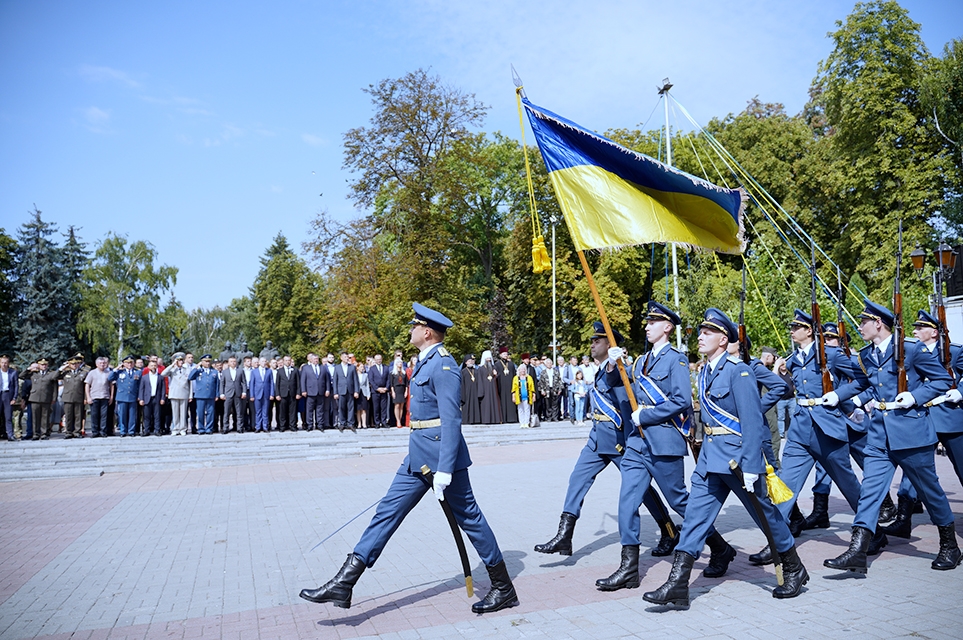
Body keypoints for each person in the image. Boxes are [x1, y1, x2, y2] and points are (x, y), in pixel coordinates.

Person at [299, 303, 519, 614]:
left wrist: (444, 470)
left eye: (415, 325)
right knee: (386, 513)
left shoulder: (443, 365)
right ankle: (344, 582)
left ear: (427, 332)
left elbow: (451, 420)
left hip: (443, 460)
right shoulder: (425, 362)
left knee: (470, 519)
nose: (411, 329)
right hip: (417, 458)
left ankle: (503, 587)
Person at [643, 308, 808, 606]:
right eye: (701, 332)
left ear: (723, 339)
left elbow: (752, 421)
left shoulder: (738, 370)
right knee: (694, 517)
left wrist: (754, 466)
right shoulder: (705, 371)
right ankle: (678, 583)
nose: (701, 337)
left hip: (737, 459)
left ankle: (794, 567)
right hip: (710, 456)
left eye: (707, 333)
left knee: (765, 514)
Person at [599, 301, 735, 592]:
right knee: (627, 502)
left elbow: (681, 401)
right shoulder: (639, 362)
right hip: (637, 443)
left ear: (667, 327)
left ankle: (720, 548)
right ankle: (628, 569)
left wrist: (645, 414)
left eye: (652, 322)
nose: (646, 326)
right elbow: (621, 386)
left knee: (680, 502)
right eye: (646, 322)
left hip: (664, 441)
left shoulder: (677, 359)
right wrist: (612, 365)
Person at [825, 300, 958, 573]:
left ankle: (950, 546)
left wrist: (915, 396)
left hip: (911, 433)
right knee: (871, 492)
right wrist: (838, 396)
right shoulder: (865, 355)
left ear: (878, 323)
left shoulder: (911, 350)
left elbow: (943, 381)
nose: (859, 327)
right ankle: (857, 550)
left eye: (863, 322)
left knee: (929, 491)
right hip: (879, 435)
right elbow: (864, 385)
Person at [534, 322, 677, 566]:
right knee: (577, 479)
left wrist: (630, 439)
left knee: (642, 491)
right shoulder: (601, 369)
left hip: (618, 440)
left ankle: (669, 531)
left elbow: (627, 406)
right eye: (592, 340)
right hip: (597, 438)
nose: (592, 344)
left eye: (597, 340)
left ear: (611, 345)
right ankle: (565, 534)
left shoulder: (620, 371)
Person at [748, 309, 870, 566]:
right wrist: (780, 373)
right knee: (785, 487)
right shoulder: (793, 358)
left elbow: (863, 379)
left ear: (809, 330)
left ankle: (871, 530)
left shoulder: (831, 354)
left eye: (796, 326)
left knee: (847, 483)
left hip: (828, 428)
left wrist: (839, 395)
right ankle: (777, 544)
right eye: (791, 326)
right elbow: (787, 388)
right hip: (801, 429)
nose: (791, 330)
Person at [880, 310, 963, 538]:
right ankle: (904, 520)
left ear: (934, 332)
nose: (915, 332)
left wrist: (960, 392)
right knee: (912, 471)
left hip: (948, 417)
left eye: (920, 328)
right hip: (919, 417)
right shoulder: (907, 351)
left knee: (961, 468)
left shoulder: (954, 351)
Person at [108, 356, 141, 437]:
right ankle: (123, 431)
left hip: (132, 396)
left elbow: (140, 385)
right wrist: (116, 369)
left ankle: (131, 431)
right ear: (124, 363)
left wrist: (139, 396)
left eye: (131, 363)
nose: (129, 364)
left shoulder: (137, 372)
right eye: (127, 363)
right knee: (122, 415)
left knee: (132, 415)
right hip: (122, 396)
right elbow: (109, 378)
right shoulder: (119, 372)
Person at [60, 353, 89, 439]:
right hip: (68, 397)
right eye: (72, 364)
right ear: (69, 364)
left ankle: (77, 432)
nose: (74, 365)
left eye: (76, 363)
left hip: (79, 397)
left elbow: (86, 386)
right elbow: (54, 376)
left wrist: (85, 398)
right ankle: (68, 432)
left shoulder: (84, 373)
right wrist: (63, 367)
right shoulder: (65, 373)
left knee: (78, 416)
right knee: (68, 416)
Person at [162, 352, 192, 436]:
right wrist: (172, 365)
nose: (181, 362)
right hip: (174, 393)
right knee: (175, 413)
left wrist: (190, 395)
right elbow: (163, 374)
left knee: (183, 413)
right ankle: (175, 428)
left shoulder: (186, 369)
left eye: (182, 360)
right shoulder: (172, 369)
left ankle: (183, 428)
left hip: (184, 393)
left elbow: (190, 383)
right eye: (179, 360)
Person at [189, 355, 219, 434]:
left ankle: (209, 428)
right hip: (200, 395)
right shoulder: (199, 371)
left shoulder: (214, 371)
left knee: (210, 412)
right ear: (202, 362)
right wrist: (196, 367)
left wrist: (217, 394)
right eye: (206, 361)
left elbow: (217, 384)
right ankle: (201, 428)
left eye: (209, 361)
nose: (208, 363)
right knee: (200, 412)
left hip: (211, 395)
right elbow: (190, 377)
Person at [219, 356, 247, 433]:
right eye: (231, 361)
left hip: (238, 393)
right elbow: (222, 383)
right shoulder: (225, 372)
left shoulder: (240, 371)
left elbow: (244, 382)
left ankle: (240, 427)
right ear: (228, 363)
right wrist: (221, 393)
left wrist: (244, 392)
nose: (233, 363)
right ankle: (225, 428)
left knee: (239, 412)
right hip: (228, 394)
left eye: (234, 361)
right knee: (226, 412)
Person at [84, 357, 111, 438]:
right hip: (94, 397)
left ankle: (103, 431)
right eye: (100, 363)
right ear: (96, 364)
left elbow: (111, 385)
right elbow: (87, 385)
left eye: (104, 363)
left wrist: (111, 396)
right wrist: (88, 397)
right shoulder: (92, 373)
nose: (102, 365)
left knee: (104, 415)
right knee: (94, 415)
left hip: (105, 396)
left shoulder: (108, 372)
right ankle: (95, 432)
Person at [138, 358, 166, 436]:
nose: (153, 367)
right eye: (151, 365)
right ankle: (146, 430)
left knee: (157, 415)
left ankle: (157, 430)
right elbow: (141, 389)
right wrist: (141, 398)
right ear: (148, 367)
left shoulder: (160, 377)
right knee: (146, 416)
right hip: (147, 398)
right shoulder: (144, 377)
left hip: (157, 398)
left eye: (155, 365)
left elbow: (163, 388)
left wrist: (163, 398)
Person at [332, 352, 359, 430]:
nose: (347, 358)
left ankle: (350, 423)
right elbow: (335, 381)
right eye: (345, 357)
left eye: (348, 357)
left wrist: (356, 391)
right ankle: (342, 423)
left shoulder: (352, 367)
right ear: (341, 358)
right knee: (341, 407)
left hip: (350, 390)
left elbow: (355, 380)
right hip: (341, 391)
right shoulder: (337, 368)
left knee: (351, 407)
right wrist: (335, 392)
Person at [275, 355, 300, 432]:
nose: (288, 362)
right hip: (283, 394)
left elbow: (298, 383)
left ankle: (292, 426)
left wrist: (298, 393)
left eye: (289, 360)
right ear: (283, 361)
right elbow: (277, 384)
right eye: (286, 360)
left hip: (293, 394)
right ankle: (282, 426)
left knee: (293, 411)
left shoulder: (295, 370)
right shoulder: (279, 371)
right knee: (282, 411)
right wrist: (277, 394)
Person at [249, 357, 274, 432]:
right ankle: (258, 427)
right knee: (258, 411)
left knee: (265, 411)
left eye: (265, 361)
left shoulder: (269, 371)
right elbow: (252, 384)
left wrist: (272, 394)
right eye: (262, 361)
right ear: (259, 362)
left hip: (266, 393)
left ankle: (265, 427)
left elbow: (271, 383)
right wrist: (252, 395)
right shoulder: (254, 371)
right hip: (257, 394)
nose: (264, 363)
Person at [477, 351, 501, 424]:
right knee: (486, 403)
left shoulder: (494, 367)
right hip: (485, 388)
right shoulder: (481, 368)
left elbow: (497, 379)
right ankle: (486, 420)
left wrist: (496, 375)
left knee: (494, 402)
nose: (489, 359)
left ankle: (495, 419)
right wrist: (481, 391)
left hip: (493, 388)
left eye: (490, 358)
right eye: (487, 358)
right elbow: (480, 380)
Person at [495, 348, 518, 424]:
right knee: (503, 402)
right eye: (504, 354)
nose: (505, 355)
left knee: (511, 401)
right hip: (502, 385)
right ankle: (504, 418)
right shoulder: (497, 364)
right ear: (500, 355)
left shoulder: (511, 364)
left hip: (511, 385)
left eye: (506, 354)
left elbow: (514, 375)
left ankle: (512, 418)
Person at [538, 356, 564, 422]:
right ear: (545, 364)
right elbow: (541, 382)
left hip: (555, 389)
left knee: (555, 404)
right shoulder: (543, 372)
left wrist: (560, 389)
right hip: (547, 390)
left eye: (550, 363)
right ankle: (548, 417)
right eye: (548, 363)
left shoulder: (556, 371)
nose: (549, 364)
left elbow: (559, 380)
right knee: (547, 404)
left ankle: (555, 417)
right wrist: (542, 390)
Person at [369, 354, 391, 428]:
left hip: (384, 390)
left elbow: (388, 379)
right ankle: (377, 422)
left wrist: (386, 388)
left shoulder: (386, 368)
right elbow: (371, 380)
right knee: (376, 407)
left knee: (384, 407)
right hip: (375, 391)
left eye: (380, 359)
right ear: (375, 360)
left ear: (382, 359)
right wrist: (377, 388)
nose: (378, 360)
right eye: (377, 359)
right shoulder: (372, 369)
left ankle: (384, 421)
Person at [460, 354, 482, 425]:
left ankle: (476, 419)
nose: (471, 362)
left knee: (475, 405)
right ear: (466, 362)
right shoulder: (463, 372)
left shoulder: (476, 371)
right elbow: (462, 384)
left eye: (472, 361)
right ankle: (467, 420)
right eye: (469, 361)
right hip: (467, 392)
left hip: (475, 391)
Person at [0, 355, 18, 441]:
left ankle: (10, 435)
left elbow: (16, 386)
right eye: (2, 363)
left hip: (8, 395)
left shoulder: (13, 372)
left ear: (8, 364)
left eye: (5, 363)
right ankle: (2, 433)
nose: (4, 364)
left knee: (8, 417)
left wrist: (14, 398)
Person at [512, 363, 535, 428]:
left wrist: (534, 395)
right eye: (521, 370)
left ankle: (526, 423)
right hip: (519, 396)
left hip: (527, 396)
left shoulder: (529, 377)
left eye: (524, 369)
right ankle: (522, 423)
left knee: (527, 409)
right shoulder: (515, 378)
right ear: (519, 370)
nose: (523, 371)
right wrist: (513, 396)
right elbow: (513, 388)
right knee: (520, 410)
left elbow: (532, 387)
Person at [390, 357, 408, 428]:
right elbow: (391, 384)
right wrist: (393, 392)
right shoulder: (392, 373)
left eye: (401, 362)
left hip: (402, 389)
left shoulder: (404, 373)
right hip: (396, 389)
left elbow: (406, 383)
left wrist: (406, 391)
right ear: (396, 364)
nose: (400, 364)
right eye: (398, 362)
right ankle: (398, 420)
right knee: (397, 405)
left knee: (401, 406)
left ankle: (400, 419)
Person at [356, 362, 370, 428]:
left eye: (363, 367)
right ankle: (359, 423)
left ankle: (364, 423)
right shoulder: (355, 375)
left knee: (364, 409)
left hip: (364, 393)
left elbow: (367, 385)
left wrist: (368, 394)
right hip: (357, 393)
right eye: (361, 367)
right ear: (357, 367)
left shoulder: (365, 375)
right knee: (358, 409)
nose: (362, 368)